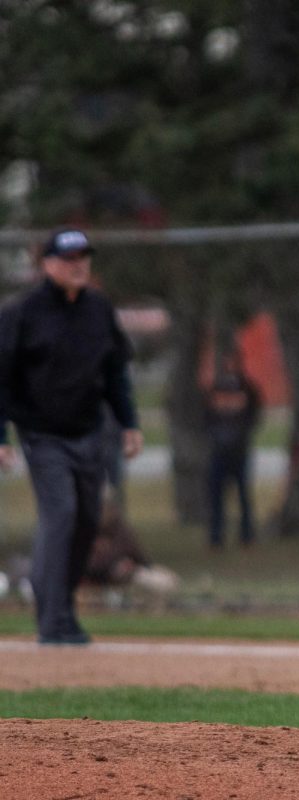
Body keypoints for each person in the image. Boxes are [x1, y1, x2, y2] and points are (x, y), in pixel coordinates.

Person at [0, 229, 143, 645]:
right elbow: (2, 380)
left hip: (89, 432)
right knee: (60, 513)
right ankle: (52, 620)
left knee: (87, 521)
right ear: (47, 265)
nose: (78, 264)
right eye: (68, 258)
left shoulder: (98, 309)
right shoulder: (22, 314)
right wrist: (2, 434)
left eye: (83, 257)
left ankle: (64, 611)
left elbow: (115, 372)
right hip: (43, 434)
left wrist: (129, 423)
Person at [204, 350, 262, 549]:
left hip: (240, 451)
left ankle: (246, 536)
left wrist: (242, 434)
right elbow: (206, 416)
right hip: (219, 451)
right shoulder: (215, 388)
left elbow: (255, 415)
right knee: (216, 497)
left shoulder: (247, 388)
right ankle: (216, 537)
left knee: (244, 496)